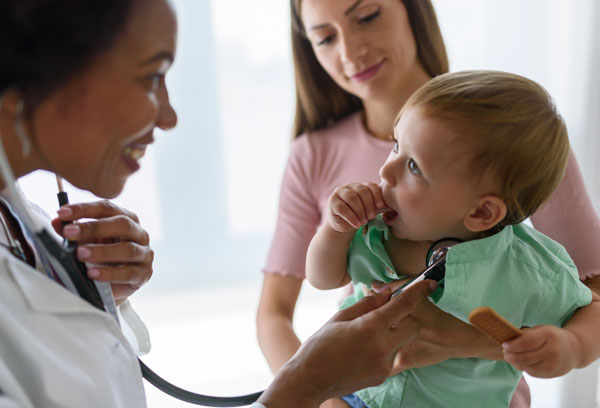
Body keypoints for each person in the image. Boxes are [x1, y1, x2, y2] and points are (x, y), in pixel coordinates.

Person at [0, 1, 436, 406]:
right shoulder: (317, 154)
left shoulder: (28, 225)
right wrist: (309, 386)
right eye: (152, 77)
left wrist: (98, 292)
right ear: (43, 72)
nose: (169, 117)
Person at [256, 1, 600, 407]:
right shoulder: (321, 167)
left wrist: (471, 341)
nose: (349, 52)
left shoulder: (512, 135)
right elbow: (275, 312)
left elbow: (586, 301)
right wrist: (322, 395)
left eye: (366, 17)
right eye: (325, 37)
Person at [306, 70, 594, 408]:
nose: (386, 171)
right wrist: (334, 229)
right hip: (360, 395)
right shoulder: (376, 226)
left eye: (413, 166)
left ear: (482, 214)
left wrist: (573, 346)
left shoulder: (527, 270)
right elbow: (323, 278)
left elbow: (592, 312)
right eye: (396, 145)